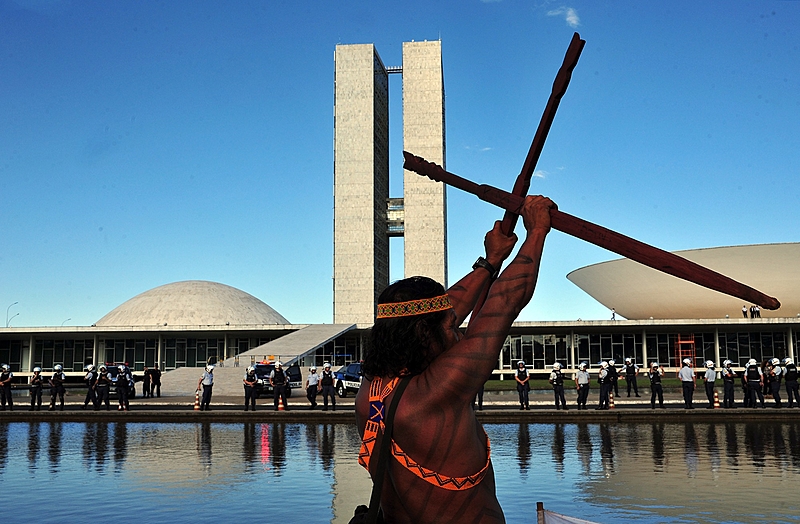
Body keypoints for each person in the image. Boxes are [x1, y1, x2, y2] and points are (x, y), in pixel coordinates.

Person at [355, 195, 555, 523]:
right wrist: (537, 231)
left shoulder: (373, 388)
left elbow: (443, 310)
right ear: (422, 333)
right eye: (450, 327)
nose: (456, 332)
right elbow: (504, 302)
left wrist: (490, 262)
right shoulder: (437, 392)